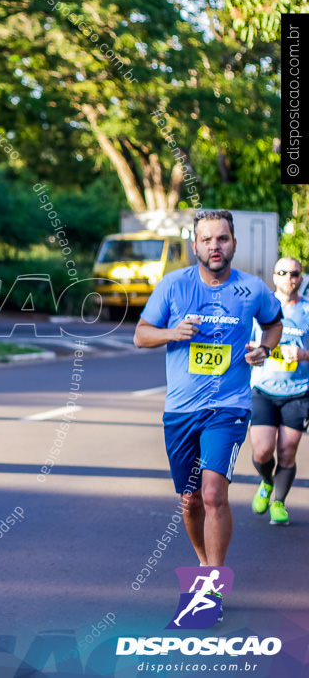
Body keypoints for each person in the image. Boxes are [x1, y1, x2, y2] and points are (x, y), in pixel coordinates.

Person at [134, 210, 282, 585]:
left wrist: (265, 349)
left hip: (229, 407)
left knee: (214, 493)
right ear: (195, 245)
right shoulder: (174, 285)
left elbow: (274, 323)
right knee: (191, 500)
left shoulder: (253, 289)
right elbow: (140, 335)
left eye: (222, 239)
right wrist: (171, 332)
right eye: (207, 239)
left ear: (233, 242)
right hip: (181, 410)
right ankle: (204, 562)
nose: (215, 246)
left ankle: (211, 584)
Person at [249, 257, 309, 526]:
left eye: (294, 273)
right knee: (262, 452)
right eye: (282, 272)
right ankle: (266, 481)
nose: (289, 277)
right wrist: (254, 348)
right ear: (273, 276)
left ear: (302, 277)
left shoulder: (307, 310)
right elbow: (242, 339)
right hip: (263, 388)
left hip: (298, 391)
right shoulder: (261, 308)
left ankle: (278, 503)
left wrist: (302, 354)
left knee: (287, 452)